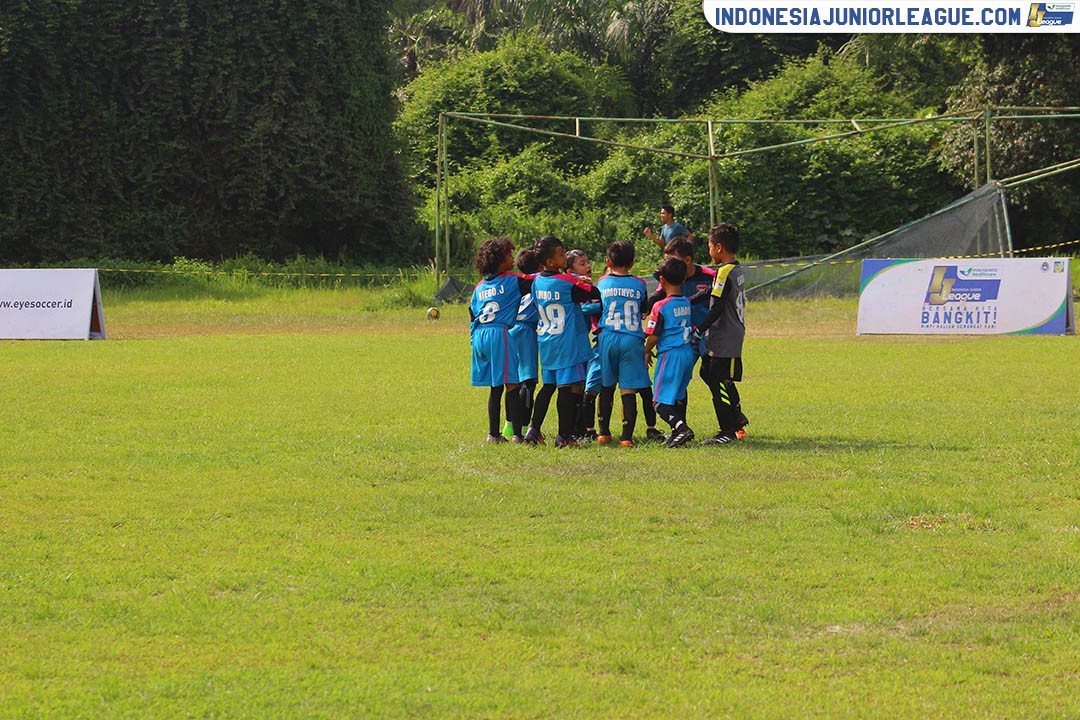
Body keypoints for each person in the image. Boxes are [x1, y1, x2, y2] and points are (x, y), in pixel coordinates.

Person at [527, 235, 601, 448]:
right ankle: (564, 436)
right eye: (561, 255)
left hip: (547, 342)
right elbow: (593, 293)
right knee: (566, 389)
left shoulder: (537, 282)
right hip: (567, 344)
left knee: (548, 386)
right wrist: (584, 281)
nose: (564, 257)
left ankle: (533, 430)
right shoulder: (567, 282)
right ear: (550, 261)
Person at [469, 237, 532, 443]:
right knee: (512, 385)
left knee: (495, 386)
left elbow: (472, 313)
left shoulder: (479, 287)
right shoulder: (512, 280)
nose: (513, 258)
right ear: (499, 260)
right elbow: (538, 282)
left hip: (480, 335)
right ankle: (517, 435)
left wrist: (473, 340)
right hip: (499, 333)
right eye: (509, 255)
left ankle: (493, 434)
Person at [693, 223, 750, 445]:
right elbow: (711, 291)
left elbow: (716, 307)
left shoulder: (724, 272)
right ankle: (737, 417)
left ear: (718, 247)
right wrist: (687, 301)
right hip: (727, 335)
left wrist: (699, 329)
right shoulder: (735, 269)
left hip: (725, 337)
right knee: (708, 373)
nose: (708, 251)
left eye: (709, 246)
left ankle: (727, 430)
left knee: (718, 380)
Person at [595, 240, 653, 447]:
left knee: (607, 385)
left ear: (608, 262)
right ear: (632, 262)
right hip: (631, 339)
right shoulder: (639, 284)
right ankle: (626, 438)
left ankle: (603, 433)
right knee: (628, 389)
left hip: (608, 337)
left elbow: (598, 306)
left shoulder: (602, 282)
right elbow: (644, 308)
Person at [644, 257, 696, 447]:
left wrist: (646, 351)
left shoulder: (660, 306)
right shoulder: (686, 303)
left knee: (659, 402)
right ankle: (676, 433)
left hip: (670, 355)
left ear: (662, 280)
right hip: (687, 353)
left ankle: (681, 428)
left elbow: (654, 335)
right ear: (684, 279)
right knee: (678, 396)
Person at [503, 247, 542, 439]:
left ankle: (508, 425)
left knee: (512, 381)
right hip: (525, 331)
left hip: (510, 329)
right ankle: (524, 427)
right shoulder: (540, 281)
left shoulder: (518, 281)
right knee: (528, 381)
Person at [566, 249, 602, 441]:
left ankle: (579, 428)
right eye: (582, 263)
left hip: (581, 341)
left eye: (587, 262)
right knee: (575, 385)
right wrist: (607, 304)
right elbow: (583, 308)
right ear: (570, 270)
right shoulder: (573, 285)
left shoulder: (584, 285)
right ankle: (573, 428)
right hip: (572, 343)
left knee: (579, 384)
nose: (588, 266)